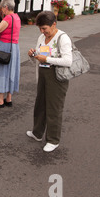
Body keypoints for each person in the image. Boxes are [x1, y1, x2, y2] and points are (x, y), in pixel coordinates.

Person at [27, 11, 72, 152]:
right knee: (40, 104)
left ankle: (53, 140)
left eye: (45, 28)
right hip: (43, 73)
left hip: (57, 77)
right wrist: (33, 55)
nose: (42, 31)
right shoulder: (42, 37)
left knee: (54, 108)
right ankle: (37, 133)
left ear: (54, 24)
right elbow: (39, 57)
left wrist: (46, 59)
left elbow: (68, 61)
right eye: (40, 28)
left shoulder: (63, 38)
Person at [0, 0, 21, 108]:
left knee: (2, 71)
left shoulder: (8, 18)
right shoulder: (17, 17)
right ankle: (9, 98)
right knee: (11, 71)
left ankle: (0, 101)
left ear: (6, 7)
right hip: (14, 47)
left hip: (4, 47)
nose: (1, 10)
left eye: (2, 8)